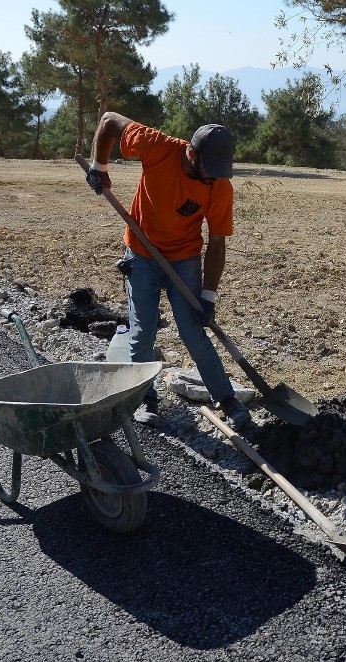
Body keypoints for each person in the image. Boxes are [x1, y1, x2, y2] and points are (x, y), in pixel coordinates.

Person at [85, 112, 251, 430]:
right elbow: (108, 121)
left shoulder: (219, 186)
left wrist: (208, 295)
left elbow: (217, 243)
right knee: (143, 331)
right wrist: (99, 167)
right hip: (142, 252)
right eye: (210, 169)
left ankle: (227, 399)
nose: (214, 178)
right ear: (192, 154)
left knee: (193, 331)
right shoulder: (157, 146)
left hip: (185, 258)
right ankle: (142, 397)